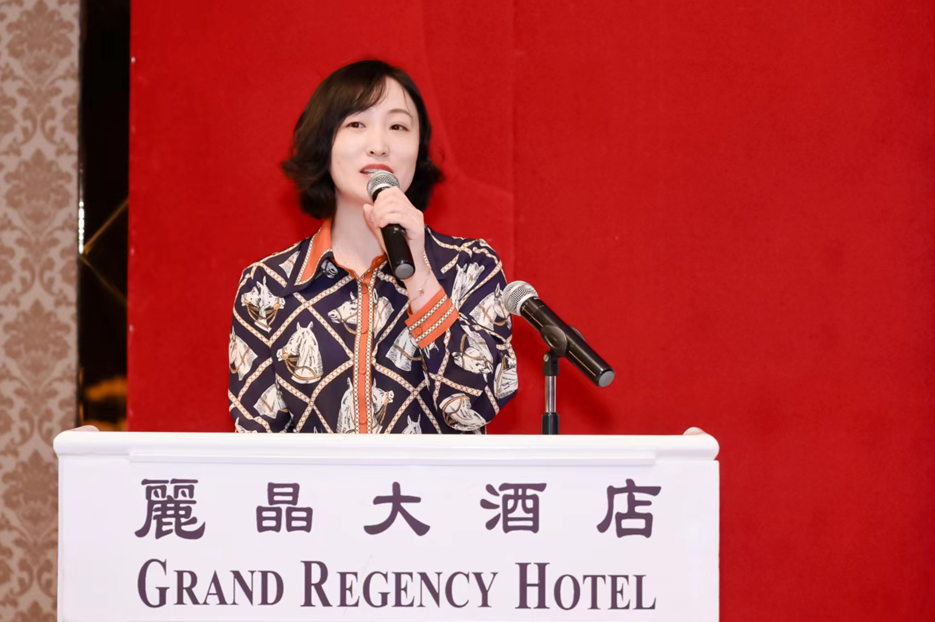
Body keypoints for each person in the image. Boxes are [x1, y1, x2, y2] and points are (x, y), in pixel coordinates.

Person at [228, 60, 517, 434]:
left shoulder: (470, 268)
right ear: (324, 142)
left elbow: (475, 408)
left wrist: (419, 277)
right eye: (356, 124)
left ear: (418, 150)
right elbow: (258, 444)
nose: (379, 146)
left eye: (398, 127)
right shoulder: (267, 286)